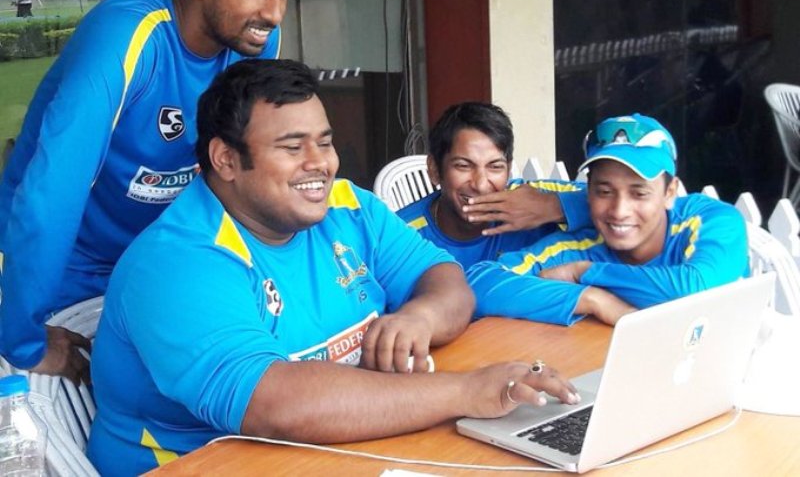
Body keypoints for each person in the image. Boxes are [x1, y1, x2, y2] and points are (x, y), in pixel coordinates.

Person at [87, 59, 581, 475]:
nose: (320, 163)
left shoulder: (347, 209)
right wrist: (468, 390)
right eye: (292, 147)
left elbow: (446, 281)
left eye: (324, 142)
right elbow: (273, 404)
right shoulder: (179, 262)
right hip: (203, 464)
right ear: (226, 159)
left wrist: (421, 316)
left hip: (334, 451)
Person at [0, 0, 299, 381]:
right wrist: (25, 342)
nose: (274, 13)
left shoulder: (254, 41)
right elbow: (50, 194)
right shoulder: (129, 35)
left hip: (158, 261)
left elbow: (249, 174)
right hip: (64, 268)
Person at [465, 113, 749, 326]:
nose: (619, 210)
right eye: (604, 192)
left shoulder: (710, 220)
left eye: (639, 193)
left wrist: (586, 273)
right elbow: (479, 284)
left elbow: (697, 290)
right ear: (587, 193)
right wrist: (594, 299)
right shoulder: (580, 246)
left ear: (669, 193)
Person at [397, 102, 590, 268]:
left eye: (495, 167)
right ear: (434, 170)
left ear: (509, 169)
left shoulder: (531, 201)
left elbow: (604, 200)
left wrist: (552, 207)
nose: (481, 185)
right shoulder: (402, 237)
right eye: (463, 166)